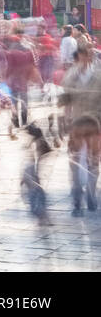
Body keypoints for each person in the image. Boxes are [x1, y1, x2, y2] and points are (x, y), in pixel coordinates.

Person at [60, 39, 101, 215]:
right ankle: (77, 196)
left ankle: (91, 195)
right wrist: (65, 119)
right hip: (77, 121)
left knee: (93, 160)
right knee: (75, 161)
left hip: (94, 121)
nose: (88, 57)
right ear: (80, 55)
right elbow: (65, 99)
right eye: (86, 54)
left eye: (90, 54)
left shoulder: (98, 75)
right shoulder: (71, 75)